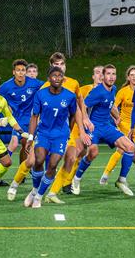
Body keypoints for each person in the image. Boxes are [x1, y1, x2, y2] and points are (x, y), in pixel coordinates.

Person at [6, 52, 90, 201]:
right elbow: (36, 113)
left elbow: (79, 104)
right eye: (56, 65)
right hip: (44, 131)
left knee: (71, 157)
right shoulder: (44, 87)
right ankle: (15, 183)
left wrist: (85, 120)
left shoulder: (73, 83)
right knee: (32, 161)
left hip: (63, 132)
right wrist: (33, 135)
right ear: (51, 67)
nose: (60, 67)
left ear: (65, 65)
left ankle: (52, 193)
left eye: (62, 64)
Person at [71, 64, 135, 196]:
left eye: (113, 74)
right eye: (108, 74)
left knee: (130, 147)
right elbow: (83, 104)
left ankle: (121, 180)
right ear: (103, 76)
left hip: (107, 126)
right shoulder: (97, 91)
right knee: (93, 152)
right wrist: (86, 120)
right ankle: (76, 179)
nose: (111, 77)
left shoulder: (114, 89)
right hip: (94, 126)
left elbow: (110, 105)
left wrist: (117, 117)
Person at [45, 65, 103, 204]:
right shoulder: (84, 89)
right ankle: (57, 188)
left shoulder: (109, 90)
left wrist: (116, 118)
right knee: (74, 154)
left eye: (103, 73)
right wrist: (83, 121)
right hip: (79, 127)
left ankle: (70, 180)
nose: (100, 75)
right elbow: (79, 106)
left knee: (87, 153)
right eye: (97, 73)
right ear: (93, 76)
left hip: (95, 128)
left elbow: (111, 107)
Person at [22, 66, 77, 208]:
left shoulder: (70, 96)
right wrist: (30, 137)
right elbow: (34, 117)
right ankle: (34, 190)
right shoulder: (40, 95)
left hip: (60, 136)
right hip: (44, 133)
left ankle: (39, 196)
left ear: (63, 79)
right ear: (49, 79)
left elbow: (73, 115)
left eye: (60, 76)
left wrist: (67, 132)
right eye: (54, 76)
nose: (57, 78)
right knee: (39, 160)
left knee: (53, 165)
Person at [0, 59, 44, 182]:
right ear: (14, 72)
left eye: (23, 70)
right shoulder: (6, 87)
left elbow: (48, 86)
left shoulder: (34, 83)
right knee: (13, 143)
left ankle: (24, 173)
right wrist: (5, 113)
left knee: (29, 146)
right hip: (17, 120)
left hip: (33, 119)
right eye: (18, 70)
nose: (21, 73)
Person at [100, 65, 135, 184]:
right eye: (132, 75)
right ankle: (106, 173)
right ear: (128, 77)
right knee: (121, 150)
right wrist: (116, 118)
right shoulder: (123, 91)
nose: (134, 77)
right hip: (124, 125)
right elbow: (112, 105)